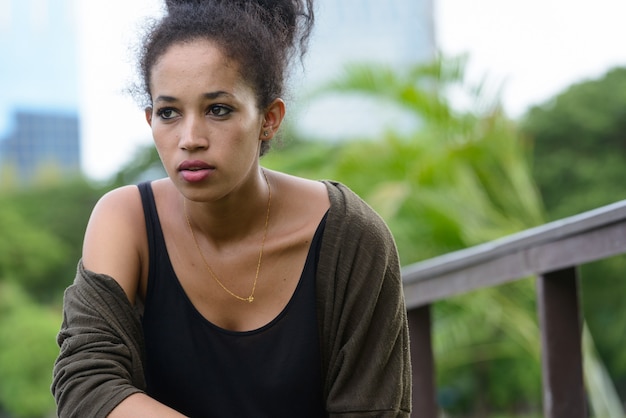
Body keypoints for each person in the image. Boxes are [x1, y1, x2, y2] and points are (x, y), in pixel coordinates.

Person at [51, 0, 412, 416]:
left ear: (269, 119)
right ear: (150, 119)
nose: (190, 138)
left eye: (218, 109)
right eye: (169, 113)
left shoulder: (349, 237)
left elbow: (373, 409)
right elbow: (85, 384)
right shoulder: (125, 220)